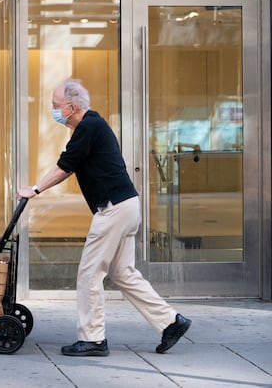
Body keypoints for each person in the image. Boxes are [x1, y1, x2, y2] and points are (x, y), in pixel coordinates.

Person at [17, 79, 191, 357]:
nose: (53, 111)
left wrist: (34, 190)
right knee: (123, 273)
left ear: (71, 106)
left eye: (55, 106)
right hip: (126, 205)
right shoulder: (92, 125)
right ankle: (171, 321)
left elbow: (65, 165)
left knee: (89, 273)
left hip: (114, 209)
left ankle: (93, 339)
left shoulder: (88, 127)